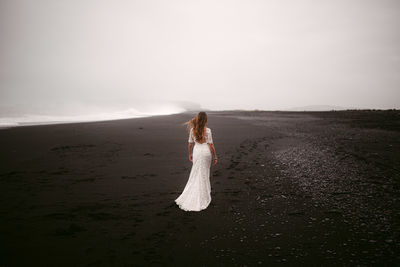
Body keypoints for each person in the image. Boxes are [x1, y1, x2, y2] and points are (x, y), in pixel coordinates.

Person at [175, 111, 218, 211]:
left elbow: (190, 144)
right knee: (204, 173)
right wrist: (215, 156)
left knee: (196, 173)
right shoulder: (208, 130)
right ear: (206, 120)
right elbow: (211, 145)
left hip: (197, 152)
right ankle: (204, 195)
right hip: (206, 152)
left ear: (197, 119)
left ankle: (195, 193)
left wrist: (190, 154)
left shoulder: (192, 130)